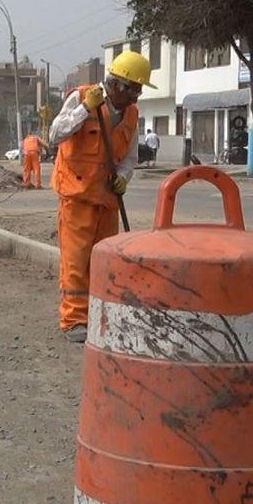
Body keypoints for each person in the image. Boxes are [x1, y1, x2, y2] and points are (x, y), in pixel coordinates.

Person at [50, 50, 151, 342]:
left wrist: (123, 177)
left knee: (103, 260)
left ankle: (99, 315)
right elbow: (55, 134)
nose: (136, 96)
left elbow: (129, 157)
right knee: (76, 261)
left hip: (107, 198)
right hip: (77, 196)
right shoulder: (82, 97)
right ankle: (73, 320)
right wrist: (84, 109)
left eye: (139, 90)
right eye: (133, 89)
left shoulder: (132, 113)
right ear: (117, 84)